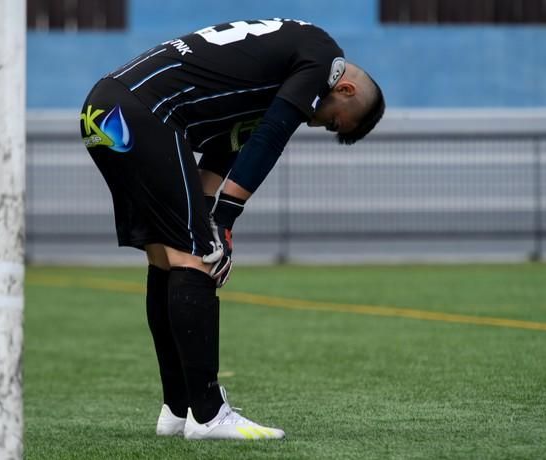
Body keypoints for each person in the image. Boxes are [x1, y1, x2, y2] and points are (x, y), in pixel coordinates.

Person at [80, 18, 385, 440]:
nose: (319, 125)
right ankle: (208, 415)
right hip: (141, 112)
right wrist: (222, 222)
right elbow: (272, 135)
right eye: (334, 122)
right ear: (345, 90)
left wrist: (211, 219)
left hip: (104, 110)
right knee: (194, 255)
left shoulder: (275, 69)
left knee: (167, 254)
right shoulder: (322, 59)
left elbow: (227, 147)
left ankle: (178, 408)